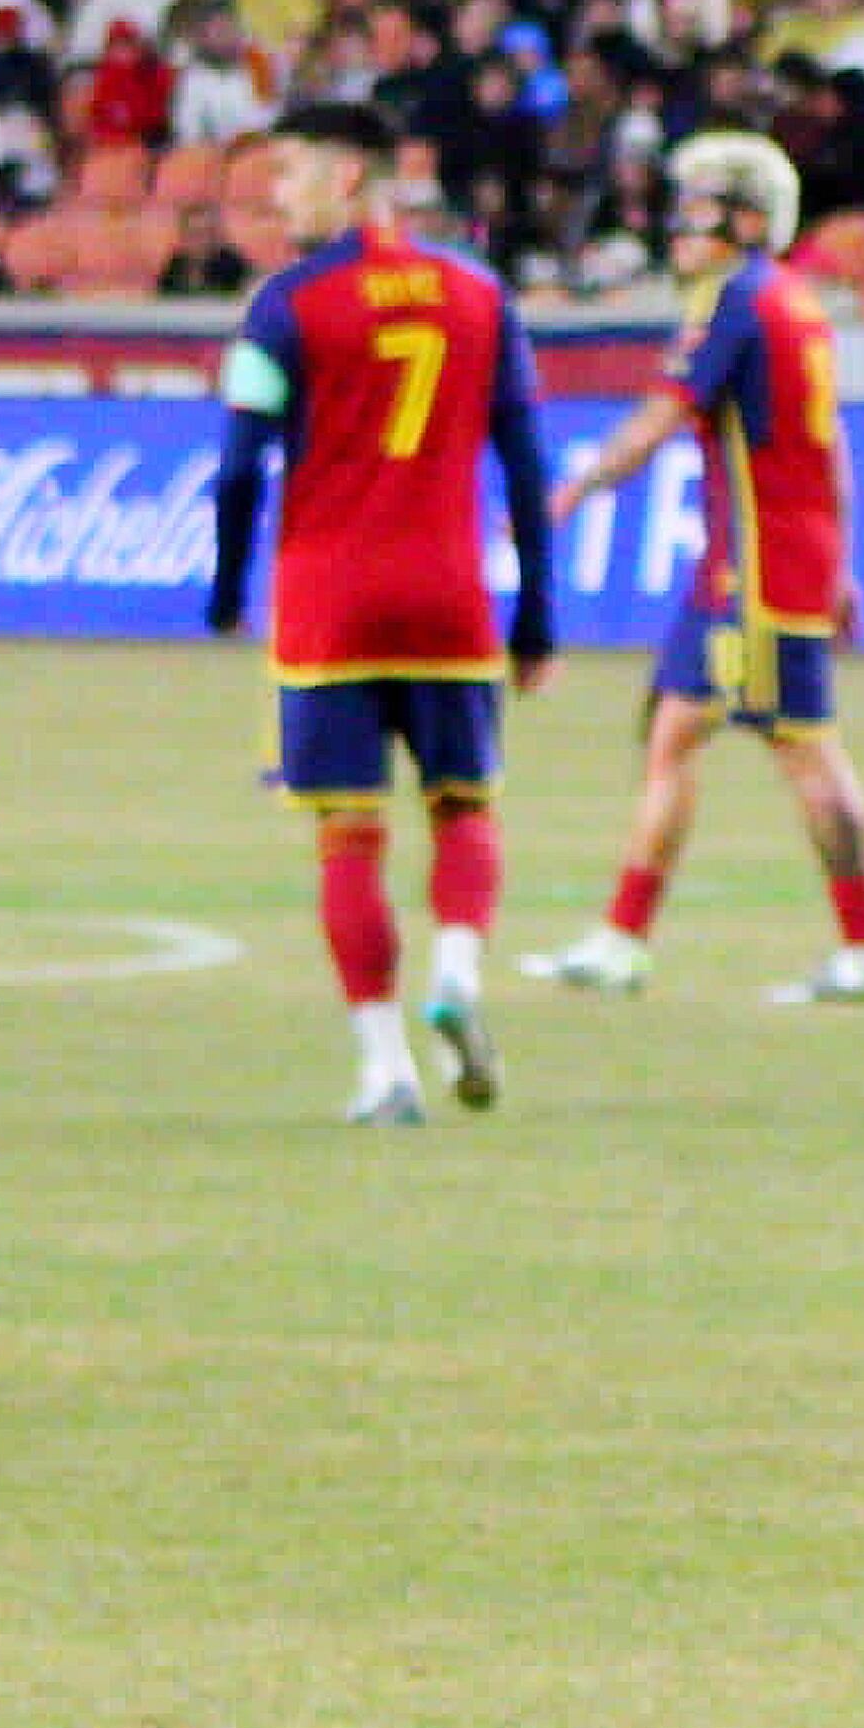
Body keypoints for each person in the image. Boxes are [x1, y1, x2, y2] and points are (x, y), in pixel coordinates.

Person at [203, 102, 558, 1126]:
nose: (277, 195)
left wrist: (227, 591)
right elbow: (528, 472)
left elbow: (235, 471)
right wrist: (536, 620)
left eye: (292, 173)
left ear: (350, 176)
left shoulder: (282, 307)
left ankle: (384, 1070)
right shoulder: (480, 294)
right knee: (463, 808)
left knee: (349, 842)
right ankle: (457, 970)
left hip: (331, 606)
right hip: (450, 599)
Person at [523, 130, 864, 1007]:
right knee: (673, 734)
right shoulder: (793, 302)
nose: (680, 230)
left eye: (700, 211)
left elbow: (662, 417)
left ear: (748, 220)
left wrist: (577, 487)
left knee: (804, 750)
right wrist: (839, 565)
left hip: (760, 572)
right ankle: (623, 940)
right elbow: (831, 449)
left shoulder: (732, 303)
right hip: (765, 563)